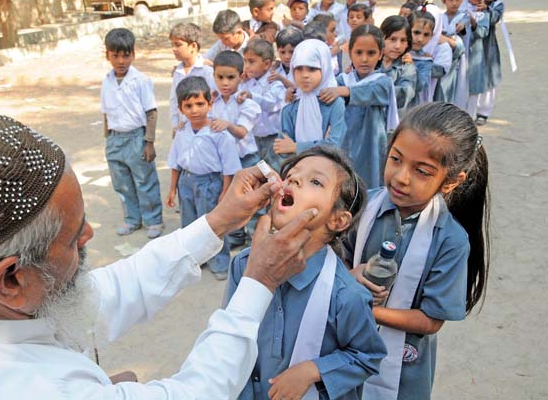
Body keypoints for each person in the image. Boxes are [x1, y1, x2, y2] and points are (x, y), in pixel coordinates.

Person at [0, 115, 321, 399]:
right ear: (10, 280)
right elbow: (199, 392)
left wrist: (217, 222)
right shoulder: (42, 390)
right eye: (75, 233)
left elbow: (111, 290)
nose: (90, 234)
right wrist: (260, 281)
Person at [345, 102, 491, 400]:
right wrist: (349, 276)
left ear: (451, 181)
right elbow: (332, 263)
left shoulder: (450, 240)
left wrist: (368, 310)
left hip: (404, 370)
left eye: (422, 171)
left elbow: (430, 320)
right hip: (344, 348)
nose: (401, 177)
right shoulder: (362, 207)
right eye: (395, 159)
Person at [225, 146, 387, 400]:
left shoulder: (345, 295)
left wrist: (313, 370)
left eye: (315, 181)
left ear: (338, 220)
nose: (294, 179)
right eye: (291, 175)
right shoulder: (243, 265)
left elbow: (368, 356)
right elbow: (230, 337)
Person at [166, 76, 242, 279]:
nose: (195, 110)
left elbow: (229, 168)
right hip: (186, 182)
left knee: (213, 223)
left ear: (210, 104)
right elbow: (175, 162)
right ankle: (195, 260)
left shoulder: (219, 134)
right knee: (189, 224)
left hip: (210, 183)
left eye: (200, 104)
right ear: (181, 109)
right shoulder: (182, 132)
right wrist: (173, 189)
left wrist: (225, 192)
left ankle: (219, 262)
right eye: (188, 105)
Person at [100, 28, 164, 239]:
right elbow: (106, 113)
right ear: (107, 55)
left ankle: (154, 220)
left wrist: (149, 142)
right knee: (122, 184)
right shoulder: (107, 81)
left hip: (137, 138)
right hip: (115, 139)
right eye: (115, 55)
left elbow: (151, 112)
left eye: (126, 55)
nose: (121, 61)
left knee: (145, 181)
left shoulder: (141, 81)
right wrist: (108, 139)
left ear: (133, 55)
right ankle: (132, 219)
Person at [319, 24, 398, 189]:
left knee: (369, 184)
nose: (364, 59)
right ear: (350, 52)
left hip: (371, 145)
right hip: (344, 141)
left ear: (380, 54)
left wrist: (345, 91)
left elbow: (370, 91)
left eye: (371, 53)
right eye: (358, 52)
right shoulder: (342, 79)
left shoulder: (382, 81)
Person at [209, 51, 262, 247]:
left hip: (246, 160)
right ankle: (235, 237)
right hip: (225, 163)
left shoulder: (247, 104)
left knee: (253, 201)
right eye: (219, 77)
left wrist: (227, 125)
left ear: (241, 76)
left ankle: (255, 240)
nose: (225, 83)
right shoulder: (212, 103)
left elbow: (241, 132)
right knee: (230, 201)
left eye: (230, 77)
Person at [274, 39, 346, 159]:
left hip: (329, 170)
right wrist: (321, 144)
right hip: (298, 170)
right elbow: (282, 149)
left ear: (325, 67)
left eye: (312, 69)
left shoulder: (334, 103)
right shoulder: (291, 105)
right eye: (299, 69)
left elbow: (334, 146)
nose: (305, 75)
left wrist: (296, 147)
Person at [239, 39, 285, 172]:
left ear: (266, 64)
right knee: (256, 173)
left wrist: (252, 96)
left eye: (251, 62)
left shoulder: (274, 83)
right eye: (245, 61)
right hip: (253, 138)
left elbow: (272, 105)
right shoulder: (247, 83)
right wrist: (239, 82)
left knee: (273, 172)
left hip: (273, 139)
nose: (246, 66)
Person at [168, 22, 215, 135]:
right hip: (184, 130)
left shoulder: (207, 71)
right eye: (172, 45)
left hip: (204, 129)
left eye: (178, 45)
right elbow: (174, 101)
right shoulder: (178, 72)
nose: (174, 49)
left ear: (193, 46)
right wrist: (175, 126)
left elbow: (213, 101)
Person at [477, 0, 505, 125]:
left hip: (488, 48)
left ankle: (483, 112)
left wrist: (486, 9)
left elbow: (494, 18)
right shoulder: (472, 3)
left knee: (488, 78)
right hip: (473, 46)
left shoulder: (497, 6)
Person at [380, 15, 417, 116]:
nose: (397, 46)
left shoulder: (407, 66)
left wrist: (373, 92)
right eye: (392, 39)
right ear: (381, 38)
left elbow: (405, 94)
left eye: (403, 40)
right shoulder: (372, 63)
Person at [440, 0, 470, 109]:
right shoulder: (440, 18)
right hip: (443, 58)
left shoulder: (465, 16)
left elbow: (464, 26)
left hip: (458, 59)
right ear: (444, 0)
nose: (454, 3)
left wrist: (462, 26)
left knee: (459, 89)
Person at [465, 0, 491, 120]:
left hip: (475, 59)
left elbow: (484, 32)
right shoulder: (460, 9)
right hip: (461, 61)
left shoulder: (484, 13)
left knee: (472, 96)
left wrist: (474, 23)